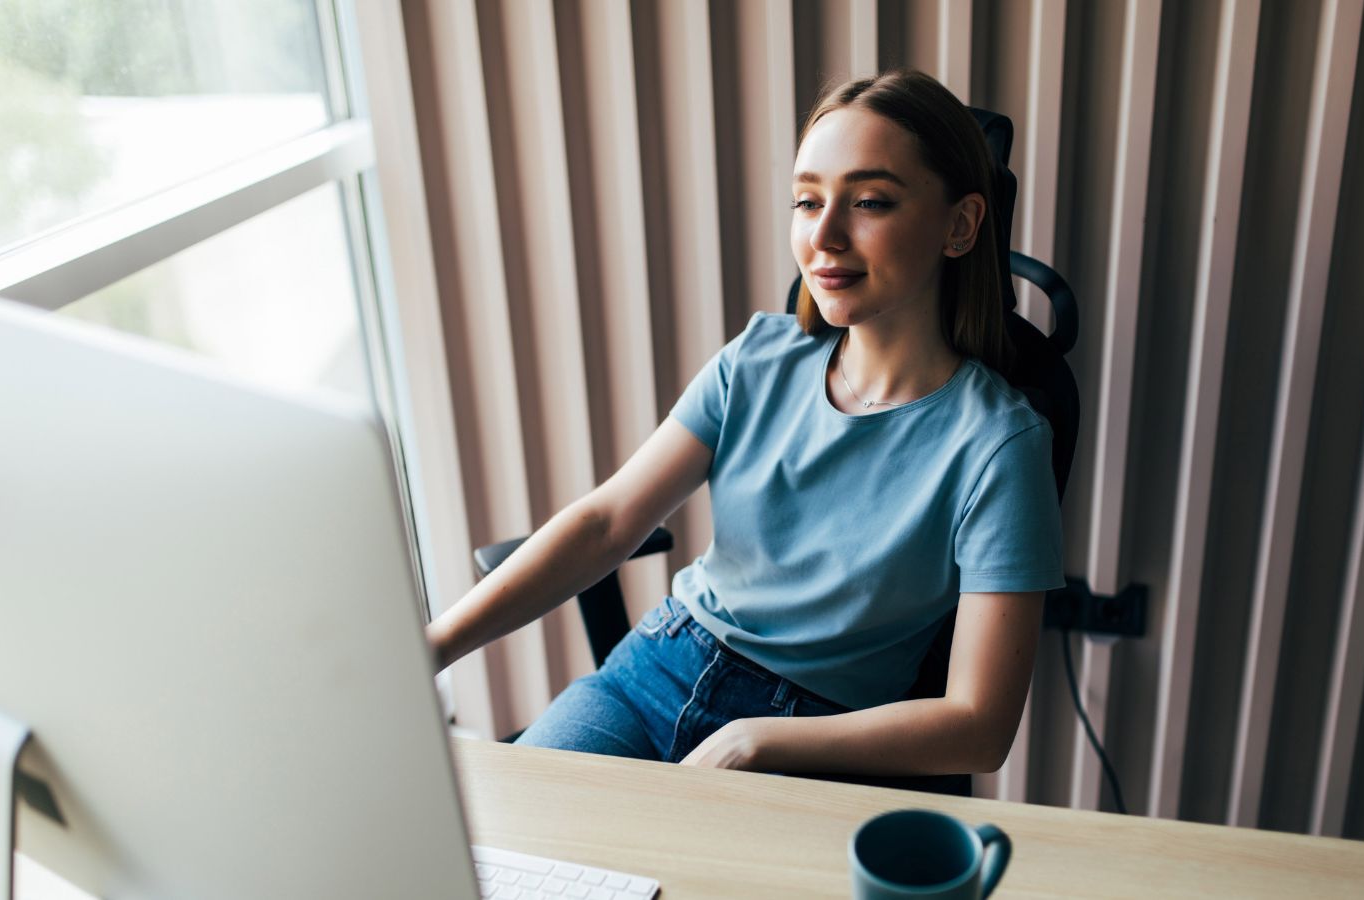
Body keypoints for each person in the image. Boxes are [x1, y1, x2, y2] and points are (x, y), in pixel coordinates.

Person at [425, 69, 1062, 789]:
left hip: (812, 739)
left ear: (960, 225)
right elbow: (605, 524)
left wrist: (757, 739)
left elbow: (979, 726)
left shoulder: (999, 448)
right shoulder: (757, 359)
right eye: (807, 201)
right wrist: (433, 645)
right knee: (515, 839)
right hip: (654, 672)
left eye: (870, 202)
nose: (823, 236)